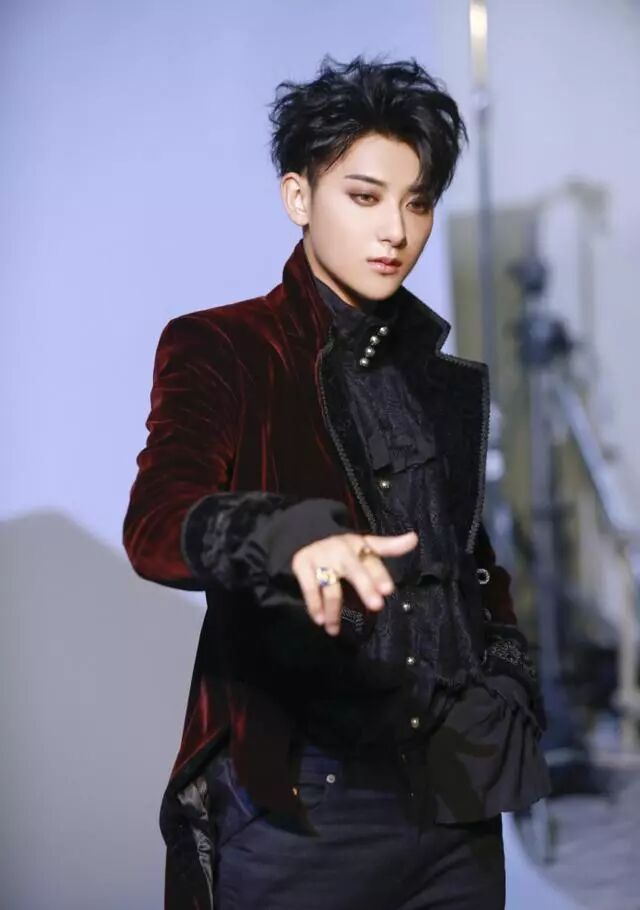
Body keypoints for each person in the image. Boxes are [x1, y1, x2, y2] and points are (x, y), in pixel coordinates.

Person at [123, 54, 551, 910]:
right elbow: (158, 523)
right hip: (308, 801)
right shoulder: (226, 347)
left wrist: (508, 674)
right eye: (364, 196)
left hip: (456, 806)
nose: (395, 229)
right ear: (299, 197)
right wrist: (284, 536)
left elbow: (468, 561)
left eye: (417, 202)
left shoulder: (438, 381)